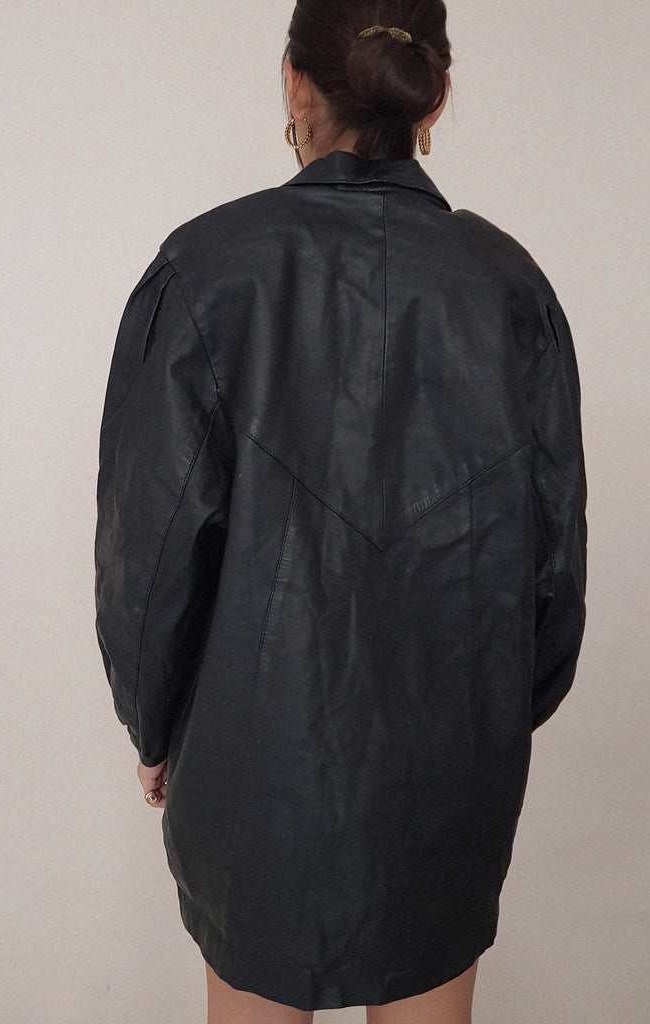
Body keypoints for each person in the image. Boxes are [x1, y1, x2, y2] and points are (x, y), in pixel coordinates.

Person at [94, 1, 587, 1021]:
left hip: (252, 764)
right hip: (450, 771)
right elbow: (554, 572)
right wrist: (487, 722)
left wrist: (153, 722)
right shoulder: (510, 287)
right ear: (432, 97)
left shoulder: (206, 269)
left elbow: (151, 553)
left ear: (294, 82)